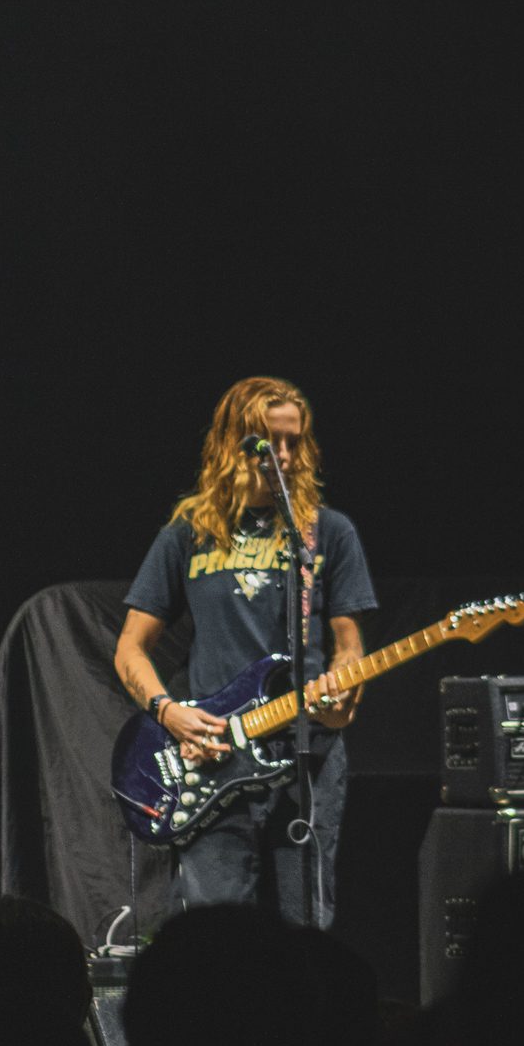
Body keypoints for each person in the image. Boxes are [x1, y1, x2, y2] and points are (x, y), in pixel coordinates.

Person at [113, 377, 376, 927]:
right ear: (231, 443)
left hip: (306, 756)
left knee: (306, 931)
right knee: (216, 936)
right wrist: (168, 710)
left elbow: (348, 646)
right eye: (266, 442)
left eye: (292, 442)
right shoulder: (189, 533)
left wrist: (343, 693)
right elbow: (131, 648)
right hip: (214, 756)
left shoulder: (326, 533)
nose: (281, 455)